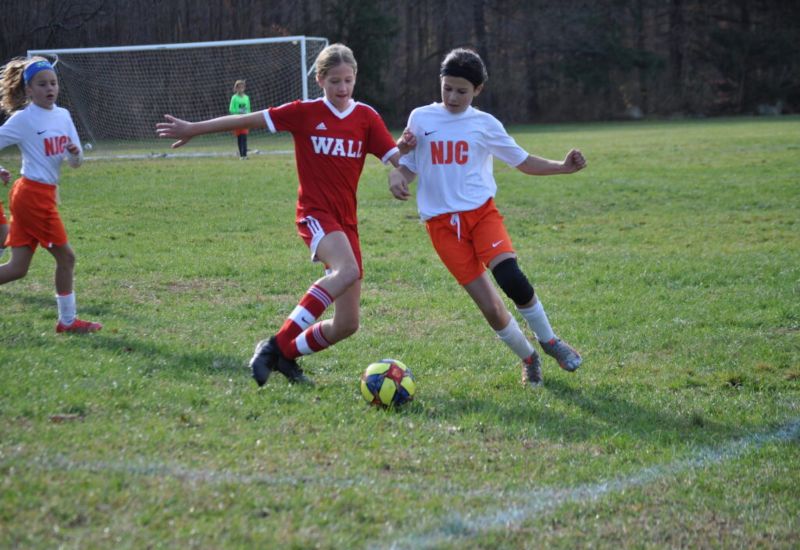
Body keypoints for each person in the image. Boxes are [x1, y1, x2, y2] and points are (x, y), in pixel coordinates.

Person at [157, 44, 415, 386]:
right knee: (347, 269)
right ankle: (274, 346)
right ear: (320, 80)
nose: (342, 88)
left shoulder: (365, 117)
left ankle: (287, 356)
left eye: (348, 81)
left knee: (347, 324)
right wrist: (193, 128)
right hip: (315, 214)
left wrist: (397, 169)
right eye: (335, 81)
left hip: (346, 222)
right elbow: (244, 120)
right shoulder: (304, 112)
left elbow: (394, 158)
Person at [388, 48, 586, 387]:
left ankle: (550, 341)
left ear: (477, 90)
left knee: (510, 277)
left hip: (481, 215)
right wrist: (397, 173)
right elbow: (407, 163)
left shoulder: (485, 124)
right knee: (491, 308)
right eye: (447, 87)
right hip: (441, 226)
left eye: (461, 91)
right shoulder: (420, 118)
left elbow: (522, 161)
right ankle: (529, 358)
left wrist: (562, 168)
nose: (452, 96)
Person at [0, 57, 102, 333]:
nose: (50, 88)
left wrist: (74, 153)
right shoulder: (24, 119)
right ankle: (67, 322)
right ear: (28, 90)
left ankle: (67, 321)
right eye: (42, 84)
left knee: (17, 269)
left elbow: (76, 162)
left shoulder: (64, 115)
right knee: (66, 258)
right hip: (31, 195)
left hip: (39, 195)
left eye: (53, 83)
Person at [229, 79, 251, 159]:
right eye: (239, 87)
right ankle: (242, 155)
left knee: (244, 137)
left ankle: (244, 155)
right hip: (237, 120)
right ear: (236, 88)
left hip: (245, 120)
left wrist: (248, 115)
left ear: (244, 88)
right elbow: (231, 109)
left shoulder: (246, 98)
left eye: (242, 87)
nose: (240, 89)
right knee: (240, 138)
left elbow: (248, 109)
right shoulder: (234, 98)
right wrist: (239, 112)